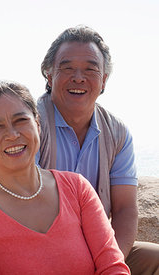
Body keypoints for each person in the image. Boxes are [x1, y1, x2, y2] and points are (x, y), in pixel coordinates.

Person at [0, 81, 129, 274]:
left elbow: (112, 267)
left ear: (37, 124)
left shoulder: (77, 188)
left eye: (21, 121)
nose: (12, 134)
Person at [37, 25, 159, 274]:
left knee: (154, 258)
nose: (79, 77)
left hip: (99, 250)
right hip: (42, 252)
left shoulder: (117, 132)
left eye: (91, 69)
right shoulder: (32, 124)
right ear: (49, 76)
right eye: (67, 68)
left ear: (103, 80)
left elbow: (125, 209)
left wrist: (110, 262)